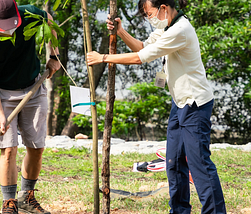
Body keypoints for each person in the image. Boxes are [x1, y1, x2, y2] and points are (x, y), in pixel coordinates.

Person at [87, 0, 226, 213]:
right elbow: (143, 47)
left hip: (195, 105)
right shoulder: (167, 27)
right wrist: (121, 32)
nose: (149, 18)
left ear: (163, 7)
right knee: (173, 162)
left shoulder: (180, 30)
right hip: (179, 103)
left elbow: (140, 58)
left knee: (199, 165)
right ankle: (179, 210)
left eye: (149, 13)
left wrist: (103, 58)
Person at [0, 0, 60, 213]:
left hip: (33, 87)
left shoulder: (30, 14)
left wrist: (54, 55)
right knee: (8, 148)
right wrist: (0, 113)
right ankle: (9, 202)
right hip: (1, 94)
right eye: (5, 26)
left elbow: (49, 21)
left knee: (37, 147)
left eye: (13, 23)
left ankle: (26, 198)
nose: (10, 30)